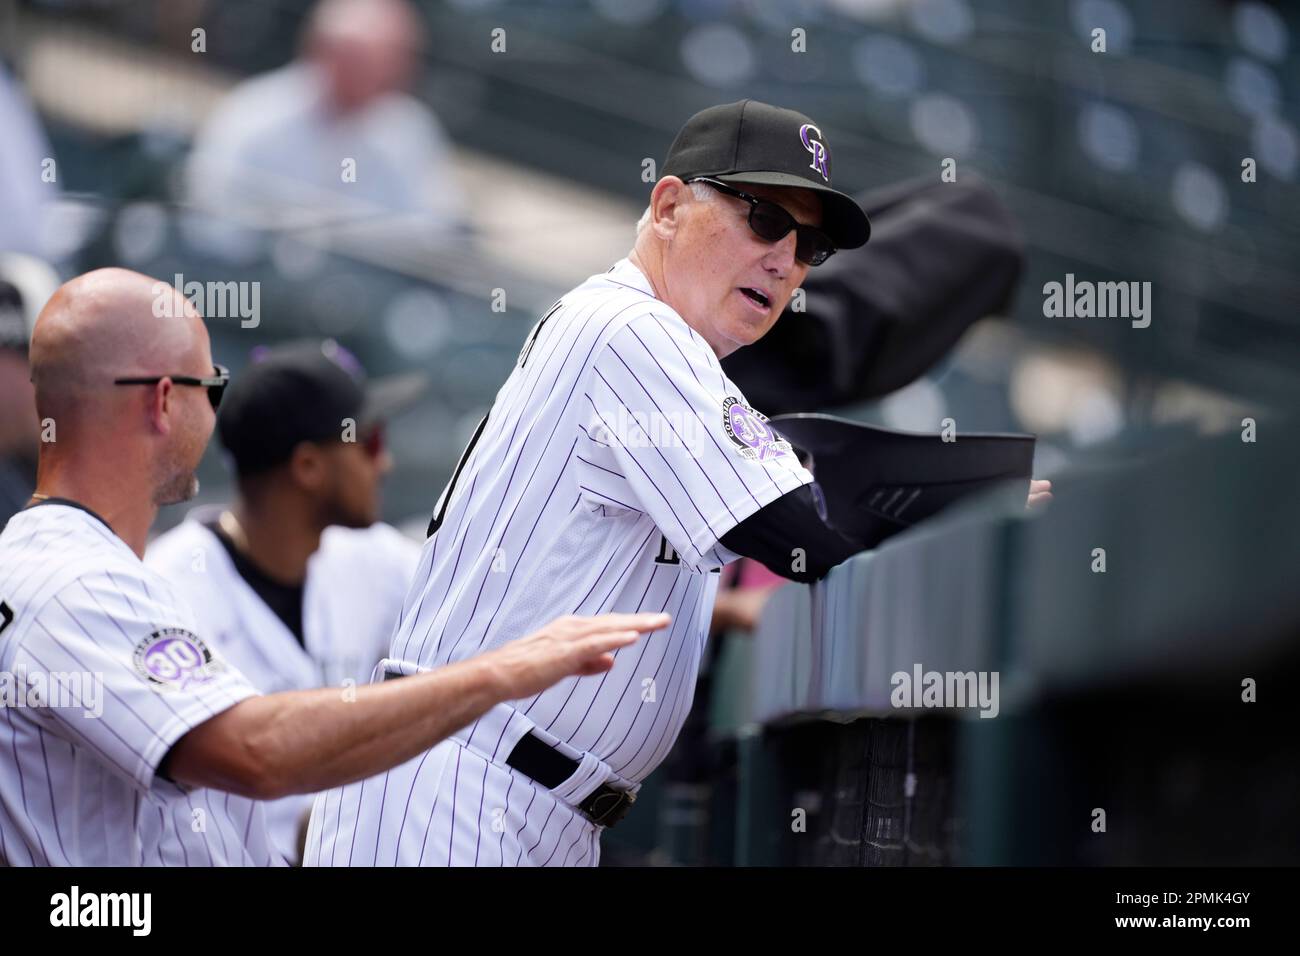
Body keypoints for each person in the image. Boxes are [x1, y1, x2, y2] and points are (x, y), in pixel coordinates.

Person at [306, 98, 1051, 867]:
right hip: (463, 789)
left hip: (514, 796)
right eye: (764, 218)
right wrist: (976, 490)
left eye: (811, 247)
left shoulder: (646, 341)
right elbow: (806, 531)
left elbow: (808, 477)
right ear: (668, 206)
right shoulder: (635, 330)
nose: (785, 260)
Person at [0, 267, 668, 865]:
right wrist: (496, 674)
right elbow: (256, 754)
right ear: (163, 401)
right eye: (213, 387)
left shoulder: (78, 566)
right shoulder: (73, 580)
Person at [145, 339, 425, 863]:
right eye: (369, 442)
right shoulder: (169, 592)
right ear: (309, 467)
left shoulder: (368, 554)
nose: (383, 462)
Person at [186, 0, 462, 237]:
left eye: (382, 65)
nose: (367, 77)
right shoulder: (258, 113)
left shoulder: (410, 131)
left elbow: (434, 229)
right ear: (320, 48)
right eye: (355, 60)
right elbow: (211, 203)